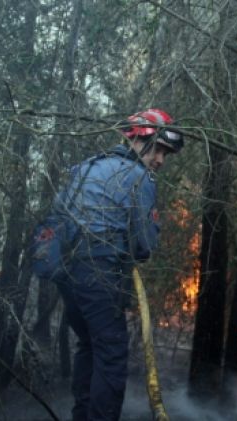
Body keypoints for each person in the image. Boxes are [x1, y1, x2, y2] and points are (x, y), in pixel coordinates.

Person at [53, 108, 183, 420]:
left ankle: (81, 415)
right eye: (159, 150)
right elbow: (145, 243)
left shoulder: (86, 167)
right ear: (139, 140)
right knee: (111, 355)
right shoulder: (139, 177)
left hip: (66, 271)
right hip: (99, 271)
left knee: (90, 345)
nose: (161, 161)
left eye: (167, 154)